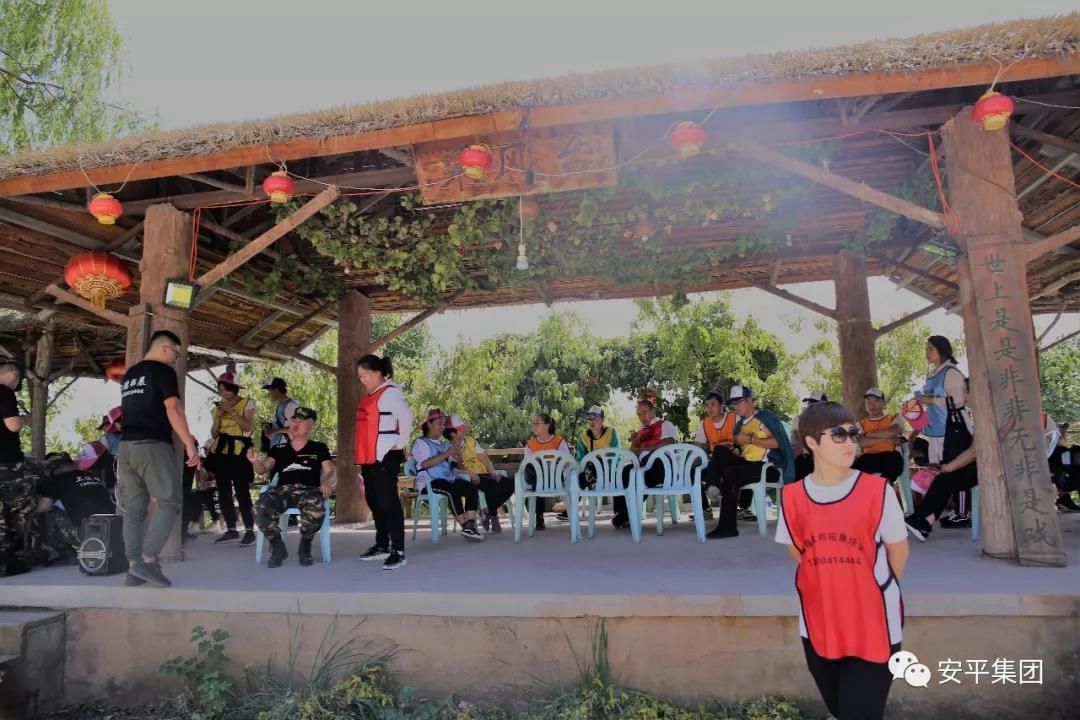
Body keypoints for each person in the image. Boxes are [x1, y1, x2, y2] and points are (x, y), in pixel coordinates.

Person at [777, 401, 907, 720]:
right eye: (838, 434)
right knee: (841, 710)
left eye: (853, 433)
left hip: (873, 623)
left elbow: (898, 553)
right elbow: (798, 553)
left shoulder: (878, 491)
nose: (850, 441)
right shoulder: (792, 497)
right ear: (811, 442)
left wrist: (864, 588)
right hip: (819, 623)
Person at [117, 330, 199, 588]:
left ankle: (133, 567)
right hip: (152, 445)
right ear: (164, 348)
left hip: (126, 448)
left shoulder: (131, 375)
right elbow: (173, 408)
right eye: (176, 354)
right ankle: (148, 559)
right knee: (170, 501)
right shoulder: (163, 371)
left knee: (134, 511)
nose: (176, 359)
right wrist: (189, 444)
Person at [249, 407, 335, 567]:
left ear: (311, 426)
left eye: (300, 421)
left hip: (308, 490)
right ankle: (277, 545)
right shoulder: (278, 449)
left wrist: (326, 482)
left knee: (316, 507)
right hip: (282, 491)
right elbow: (262, 469)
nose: (295, 424)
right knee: (259, 508)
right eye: (293, 420)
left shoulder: (319, 448)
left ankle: (305, 545)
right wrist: (255, 461)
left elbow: (330, 471)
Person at [706, 385, 794, 539]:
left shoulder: (766, 418)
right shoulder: (740, 425)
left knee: (730, 473)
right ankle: (713, 485)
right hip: (747, 463)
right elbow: (743, 450)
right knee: (719, 450)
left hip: (768, 467)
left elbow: (777, 443)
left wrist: (750, 439)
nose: (736, 406)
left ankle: (727, 528)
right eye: (734, 403)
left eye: (739, 402)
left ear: (750, 400)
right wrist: (735, 449)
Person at [354, 353, 413, 570]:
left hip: (385, 455)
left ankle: (399, 551)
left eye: (365, 374)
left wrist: (399, 444)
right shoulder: (372, 394)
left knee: (389, 502)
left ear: (378, 372)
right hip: (369, 456)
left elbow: (407, 417)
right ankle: (382, 544)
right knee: (374, 500)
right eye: (360, 376)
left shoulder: (389, 393)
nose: (362, 379)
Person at [918, 335, 974, 527]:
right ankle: (937, 512)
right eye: (926, 349)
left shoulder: (951, 373)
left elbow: (958, 400)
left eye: (930, 349)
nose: (927, 352)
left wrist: (931, 400)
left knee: (956, 469)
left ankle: (962, 512)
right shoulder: (932, 374)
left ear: (941, 349)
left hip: (953, 429)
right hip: (935, 429)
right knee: (938, 468)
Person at [411, 409, 484, 542]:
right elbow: (425, 464)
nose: (442, 427)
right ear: (429, 424)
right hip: (429, 482)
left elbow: (453, 466)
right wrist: (447, 453)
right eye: (439, 424)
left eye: (444, 424)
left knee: (471, 487)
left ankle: (470, 525)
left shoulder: (444, 445)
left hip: (447, 479)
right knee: (452, 489)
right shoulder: (421, 443)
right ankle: (466, 527)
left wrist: (457, 458)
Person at [206, 372, 257, 545]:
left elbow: (248, 428)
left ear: (234, 389)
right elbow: (214, 434)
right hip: (222, 451)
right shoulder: (216, 409)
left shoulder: (247, 403)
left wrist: (232, 412)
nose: (222, 393)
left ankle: (249, 530)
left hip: (240, 451)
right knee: (223, 491)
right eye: (220, 390)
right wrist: (218, 418)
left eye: (225, 389)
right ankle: (231, 529)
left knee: (242, 490)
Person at [37, 452, 114, 563]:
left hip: (87, 533)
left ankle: (65, 552)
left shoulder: (57, 480)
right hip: (110, 530)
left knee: (46, 514)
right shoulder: (93, 476)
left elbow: (42, 508)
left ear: (54, 468)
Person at [0, 361, 39, 576]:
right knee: (22, 506)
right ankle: (11, 558)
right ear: (13, 375)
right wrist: (26, 419)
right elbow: (13, 425)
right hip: (6, 464)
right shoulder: (4, 392)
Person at [445, 415, 513, 533]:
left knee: (511, 483)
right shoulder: (447, 448)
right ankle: (494, 516)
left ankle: (487, 512)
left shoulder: (471, 441)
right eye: (461, 429)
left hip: (483, 473)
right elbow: (453, 469)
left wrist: (492, 471)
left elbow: (483, 457)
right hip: (467, 478)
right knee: (492, 485)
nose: (464, 430)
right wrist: (470, 473)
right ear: (452, 433)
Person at [568, 405, 622, 520]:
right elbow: (580, 459)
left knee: (618, 479)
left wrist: (606, 466)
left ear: (602, 420)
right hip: (591, 472)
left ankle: (619, 514)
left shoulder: (611, 433)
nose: (592, 421)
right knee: (577, 479)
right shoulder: (583, 437)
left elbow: (618, 455)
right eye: (589, 418)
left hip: (611, 471)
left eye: (596, 418)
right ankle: (569, 510)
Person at [692, 391, 737, 521]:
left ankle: (712, 485)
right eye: (707, 405)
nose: (709, 408)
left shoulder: (734, 418)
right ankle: (705, 509)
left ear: (722, 406)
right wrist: (689, 459)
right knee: (692, 471)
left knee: (718, 450)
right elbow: (697, 446)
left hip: (733, 461)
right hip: (715, 465)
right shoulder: (705, 423)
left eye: (713, 404)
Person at [523, 414, 572, 531]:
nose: (534, 426)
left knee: (538, 475)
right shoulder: (530, 444)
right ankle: (539, 517)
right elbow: (527, 464)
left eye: (537, 423)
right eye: (533, 423)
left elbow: (567, 463)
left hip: (555, 477)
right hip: (536, 477)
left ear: (547, 425)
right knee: (532, 468)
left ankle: (539, 516)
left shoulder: (559, 441)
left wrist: (550, 465)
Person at [851, 388, 906, 483]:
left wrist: (867, 434)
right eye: (868, 401)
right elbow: (862, 443)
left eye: (876, 400)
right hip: (869, 457)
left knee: (893, 459)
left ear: (883, 403)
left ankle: (885, 486)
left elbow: (891, 432)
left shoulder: (894, 418)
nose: (872, 404)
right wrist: (888, 440)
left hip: (890, 456)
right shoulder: (859, 424)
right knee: (854, 468)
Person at [792, 391, 827, 481]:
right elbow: (797, 441)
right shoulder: (798, 419)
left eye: (813, 403)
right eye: (809, 403)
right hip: (803, 458)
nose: (809, 405)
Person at [261, 377, 299, 451]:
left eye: (270, 391)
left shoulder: (290, 405)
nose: (269, 394)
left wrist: (274, 431)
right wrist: (269, 426)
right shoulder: (280, 404)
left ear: (277, 390)